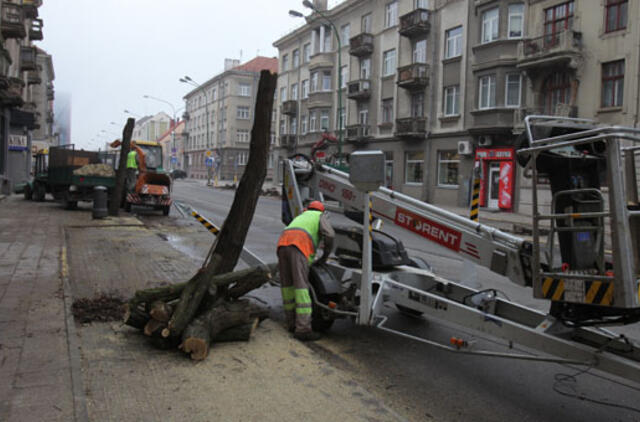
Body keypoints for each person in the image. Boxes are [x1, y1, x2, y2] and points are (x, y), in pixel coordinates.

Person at [277, 200, 335, 341]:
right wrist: (325, 255)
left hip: (282, 246)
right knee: (301, 288)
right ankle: (303, 329)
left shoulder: (301, 216)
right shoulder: (319, 216)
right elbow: (330, 235)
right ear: (321, 211)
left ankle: (291, 323)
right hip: (298, 248)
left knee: (287, 287)